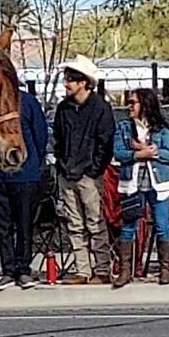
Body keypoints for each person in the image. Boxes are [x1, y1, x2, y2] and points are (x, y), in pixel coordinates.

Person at [53, 56, 115, 285]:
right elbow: (57, 139)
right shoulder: (63, 108)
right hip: (67, 173)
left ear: (84, 82)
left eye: (70, 78)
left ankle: (101, 269)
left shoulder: (100, 108)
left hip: (89, 175)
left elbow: (105, 142)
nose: (66, 83)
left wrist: (94, 170)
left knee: (95, 222)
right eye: (66, 78)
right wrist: (61, 164)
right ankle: (82, 270)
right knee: (74, 223)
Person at [112, 88, 169, 287]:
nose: (129, 106)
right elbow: (118, 153)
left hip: (158, 183)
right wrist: (138, 155)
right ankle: (126, 271)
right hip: (132, 183)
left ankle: (165, 269)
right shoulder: (125, 127)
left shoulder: (161, 129)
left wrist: (151, 151)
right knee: (129, 225)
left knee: (162, 225)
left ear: (145, 104)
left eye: (133, 102)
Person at [0, 89, 49, 291]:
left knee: (24, 224)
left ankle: (23, 269)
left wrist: (32, 163)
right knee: (2, 226)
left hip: (24, 173)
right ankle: (7, 269)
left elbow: (40, 135)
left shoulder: (27, 102)